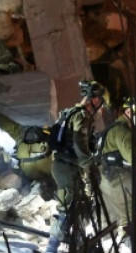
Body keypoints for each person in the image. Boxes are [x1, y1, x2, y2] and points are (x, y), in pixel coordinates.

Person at [46, 80, 107, 253]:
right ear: (95, 100)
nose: (100, 107)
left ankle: (78, 243)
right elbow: (79, 144)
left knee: (78, 204)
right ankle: (51, 249)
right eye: (100, 102)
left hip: (65, 165)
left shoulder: (69, 112)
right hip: (68, 166)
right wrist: (90, 166)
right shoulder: (82, 116)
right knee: (67, 208)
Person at [98, 96, 136, 251]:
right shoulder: (122, 131)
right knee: (135, 213)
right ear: (129, 111)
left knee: (111, 217)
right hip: (117, 179)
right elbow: (132, 157)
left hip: (106, 178)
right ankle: (129, 246)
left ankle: (110, 245)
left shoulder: (114, 128)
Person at [0, 110, 55, 196]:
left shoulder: (21, 141)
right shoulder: (41, 172)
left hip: (27, 160)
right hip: (31, 163)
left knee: (14, 131)